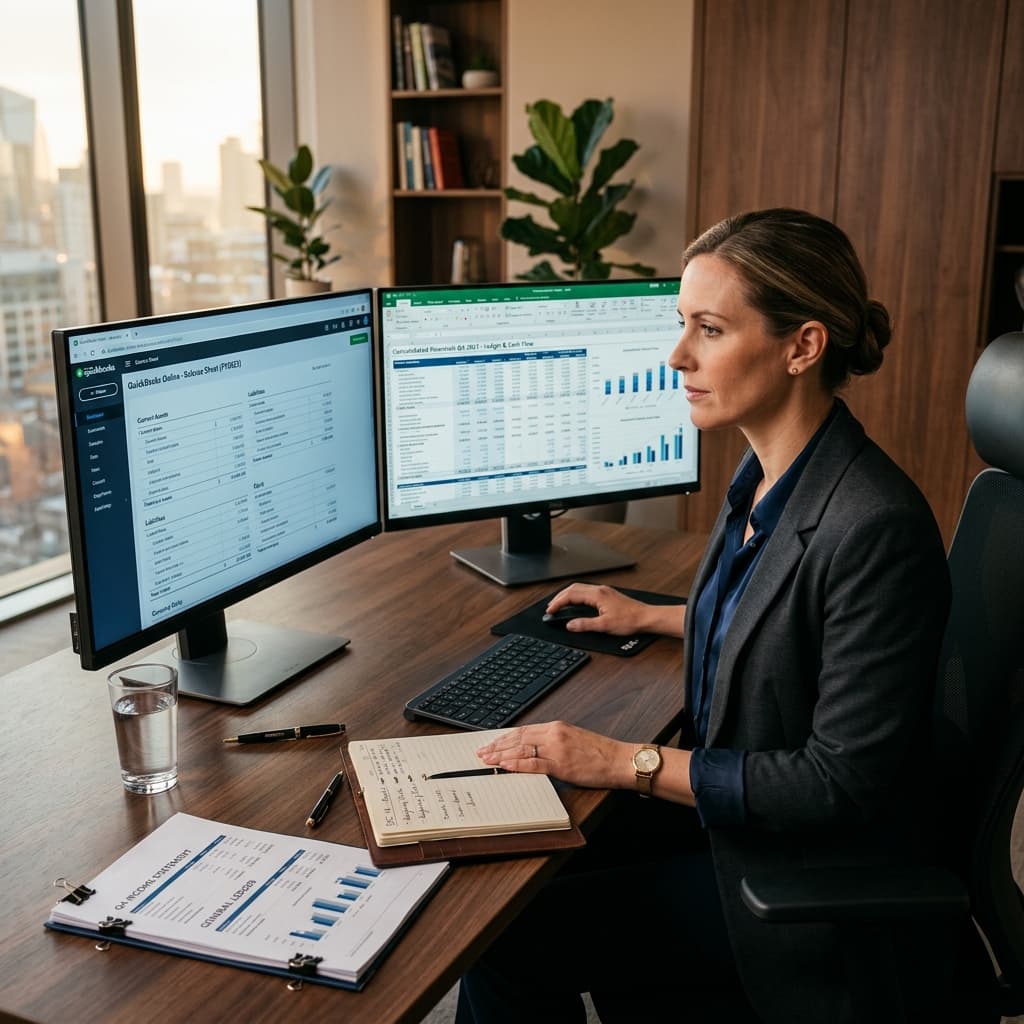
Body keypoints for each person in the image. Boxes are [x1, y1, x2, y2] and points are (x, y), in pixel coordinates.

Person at [455, 209, 953, 1023]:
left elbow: (838, 782)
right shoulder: (767, 475)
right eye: (681, 325)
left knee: (512, 933)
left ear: (803, 346)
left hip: (801, 875)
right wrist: (667, 617)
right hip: (739, 825)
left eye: (709, 329)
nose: (677, 356)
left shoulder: (874, 524)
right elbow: (799, 619)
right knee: (513, 866)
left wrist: (626, 763)